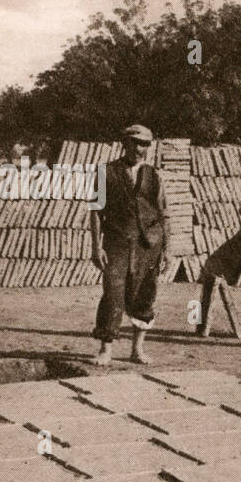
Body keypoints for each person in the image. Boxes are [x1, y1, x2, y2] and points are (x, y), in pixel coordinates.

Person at [90, 124, 171, 365]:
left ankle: (137, 349)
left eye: (145, 144)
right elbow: (95, 211)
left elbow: (164, 213)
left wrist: (168, 250)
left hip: (149, 245)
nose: (139, 148)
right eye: (135, 142)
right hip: (117, 243)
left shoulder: (154, 176)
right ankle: (106, 349)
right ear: (124, 143)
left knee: (144, 295)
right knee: (113, 293)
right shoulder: (106, 172)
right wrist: (96, 246)